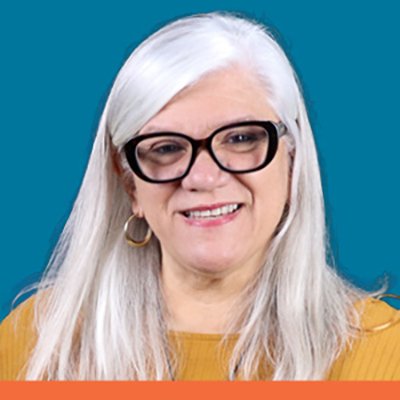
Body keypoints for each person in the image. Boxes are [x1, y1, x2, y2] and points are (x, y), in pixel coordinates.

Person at [0, 12, 399, 381]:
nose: (204, 178)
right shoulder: (36, 343)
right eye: (166, 147)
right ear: (129, 184)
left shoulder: (385, 354)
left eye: (240, 139)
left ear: (292, 161)